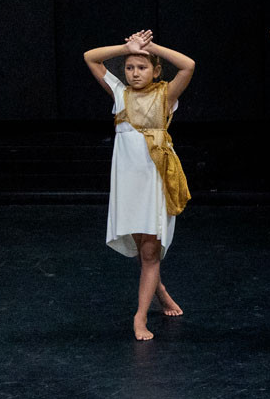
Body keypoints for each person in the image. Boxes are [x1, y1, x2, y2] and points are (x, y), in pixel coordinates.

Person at [84, 29, 195, 341]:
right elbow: (90, 58)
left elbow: (188, 65)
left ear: (156, 70)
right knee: (142, 247)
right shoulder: (120, 93)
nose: (134, 72)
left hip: (154, 179)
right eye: (130, 67)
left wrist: (151, 46)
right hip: (128, 180)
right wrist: (125, 48)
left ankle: (140, 316)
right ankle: (158, 289)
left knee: (150, 251)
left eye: (142, 67)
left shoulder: (166, 95)